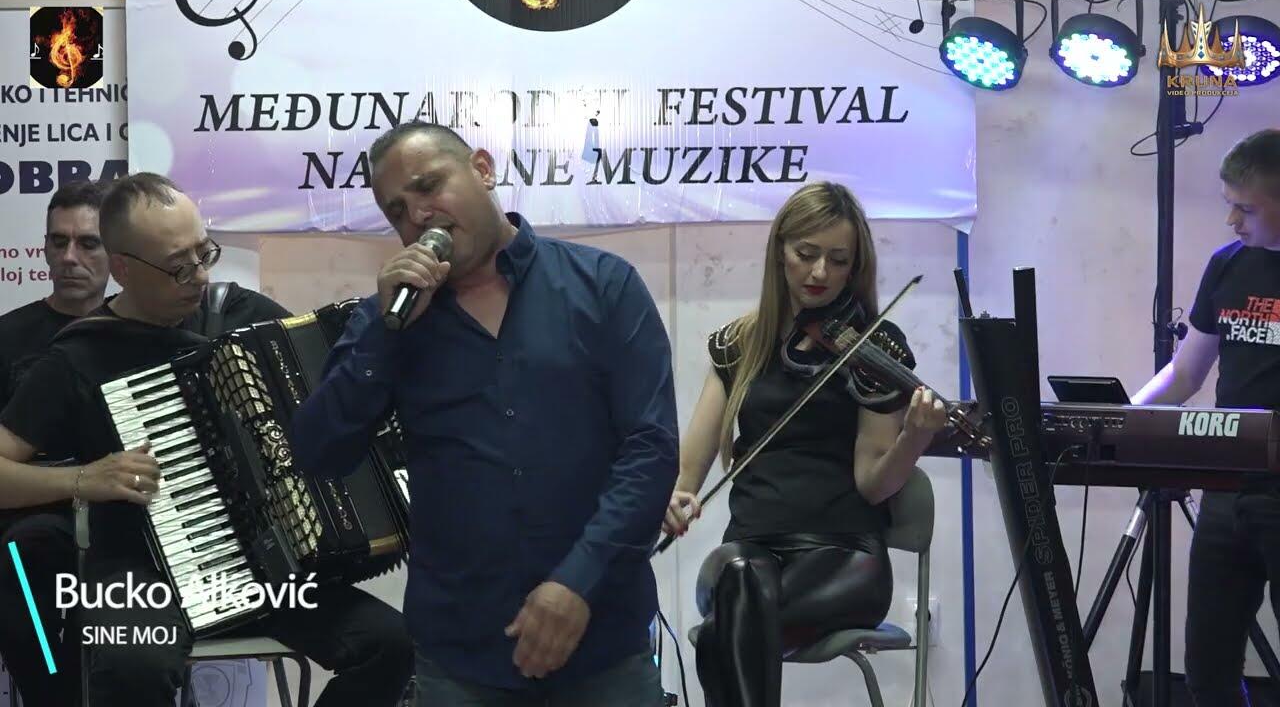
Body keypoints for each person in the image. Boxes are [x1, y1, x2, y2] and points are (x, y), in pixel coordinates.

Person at [290, 121, 678, 706]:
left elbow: (650, 449)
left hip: (602, 638)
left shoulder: (603, 285)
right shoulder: (387, 321)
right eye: (397, 210)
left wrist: (578, 582)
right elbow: (319, 453)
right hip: (461, 654)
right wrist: (385, 337)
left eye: (428, 186)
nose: (418, 215)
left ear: (483, 169)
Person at [0, 172, 412, 707]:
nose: (199, 274)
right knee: (131, 666)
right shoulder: (76, 357)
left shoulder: (241, 315)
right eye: (178, 266)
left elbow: (329, 395)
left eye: (204, 252)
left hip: (267, 570)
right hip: (140, 574)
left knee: (390, 646)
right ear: (123, 269)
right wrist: (84, 479)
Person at [661, 182, 947, 707]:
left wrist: (915, 437)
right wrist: (677, 497)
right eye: (806, 254)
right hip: (748, 551)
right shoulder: (739, 344)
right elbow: (688, 470)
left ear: (855, 267)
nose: (820, 273)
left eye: (838, 261)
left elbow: (873, 484)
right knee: (741, 583)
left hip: (844, 555)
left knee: (729, 629)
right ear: (780, 252)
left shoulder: (872, 348)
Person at [1132, 128, 1280, 706]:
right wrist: (1122, 420)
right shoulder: (1226, 266)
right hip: (1225, 489)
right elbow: (1186, 373)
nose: (1232, 221)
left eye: (1247, 209)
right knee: (1208, 673)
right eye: (1229, 205)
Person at [0, 179, 110, 706]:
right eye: (57, 241)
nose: (69, 257)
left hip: (128, 522)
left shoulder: (140, 332)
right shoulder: (7, 337)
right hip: (28, 520)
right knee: (21, 571)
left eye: (88, 243)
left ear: (117, 253)